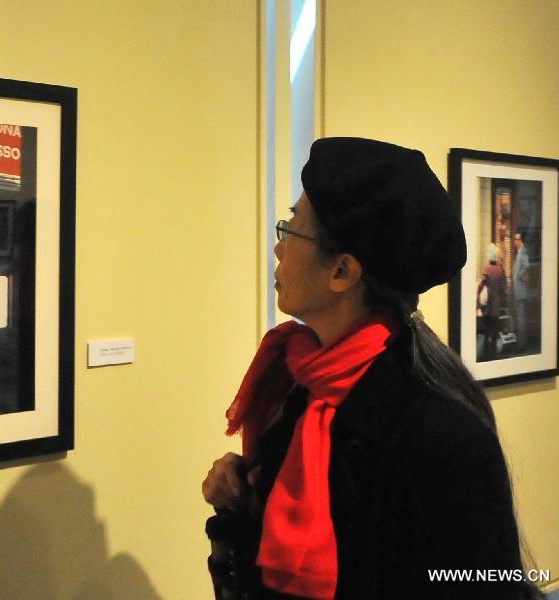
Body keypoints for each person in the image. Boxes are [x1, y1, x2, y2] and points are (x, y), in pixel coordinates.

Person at [202, 138, 541, 599]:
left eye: (291, 229)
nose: (278, 249)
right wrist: (240, 505)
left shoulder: (445, 438)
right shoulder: (299, 391)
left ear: (342, 272)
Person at [477, 243, 507, 361]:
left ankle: (485, 356)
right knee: (494, 335)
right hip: (497, 308)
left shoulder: (487, 269)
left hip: (488, 308)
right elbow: (504, 288)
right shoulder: (500, 269)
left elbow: (481, 285)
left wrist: (477, 302)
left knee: (485, 334)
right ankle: (493, 356)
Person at [512, 230, 531, 351]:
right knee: (520, 318)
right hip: (519, 290)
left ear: (521, 240)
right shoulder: (519, 252)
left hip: (520, 291)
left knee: (521, 319)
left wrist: (519, 275)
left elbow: (527, 266)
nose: (515, 242)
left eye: (517, 239)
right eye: (514, 239)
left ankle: (521, 345)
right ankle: (520, 343)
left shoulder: (523, 252)